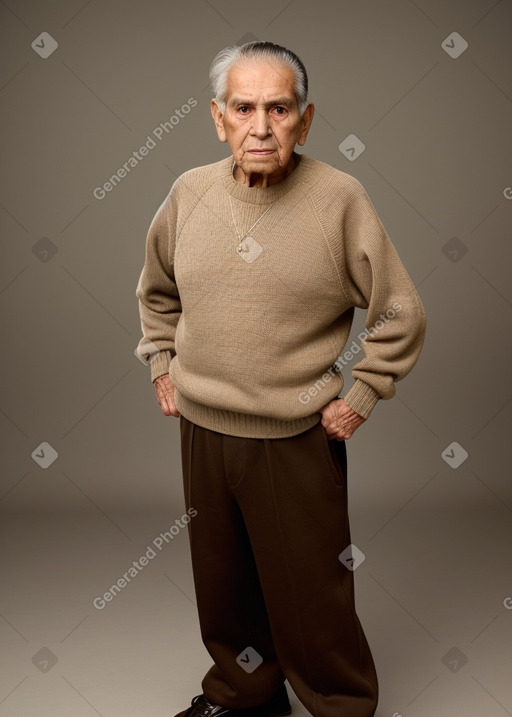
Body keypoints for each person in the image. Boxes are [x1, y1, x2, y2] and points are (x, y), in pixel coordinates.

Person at [136, 41, 426, 717]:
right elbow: (157, 292)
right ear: (218, 117)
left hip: (294, 435)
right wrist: (160, 360)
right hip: (204, 428)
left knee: (310, 593)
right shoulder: (188, 193)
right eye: (244, 107)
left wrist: (361, 393)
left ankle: (341, 703)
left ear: (306, 118)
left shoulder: (338, 199)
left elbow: (400, 311)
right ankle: (247, 694)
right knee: (224, 586)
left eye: (279, 107)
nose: (260, 125)